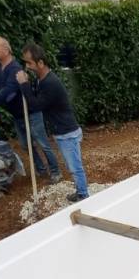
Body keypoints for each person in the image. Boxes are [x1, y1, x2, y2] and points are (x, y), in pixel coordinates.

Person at [0, 36, 61, 183]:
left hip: (31, 113)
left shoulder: (15, 69)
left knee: (42, 143)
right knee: (26, 145)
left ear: (6, 50)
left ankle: (56, 172)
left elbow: (8, 91)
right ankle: (41, 170)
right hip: (17, 114)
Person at [16, 42, 89, 202]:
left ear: (40, 63)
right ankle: (81, 192)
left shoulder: (50, 83)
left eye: (29, 63)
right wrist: (28, 85)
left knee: (75, 167)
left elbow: (36, 105)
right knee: (72, 165)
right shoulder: (42, 80)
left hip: (67, 132)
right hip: (62, 131)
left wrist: (24, 84)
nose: (27, 66)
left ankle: (84, 195)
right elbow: (35, 97)